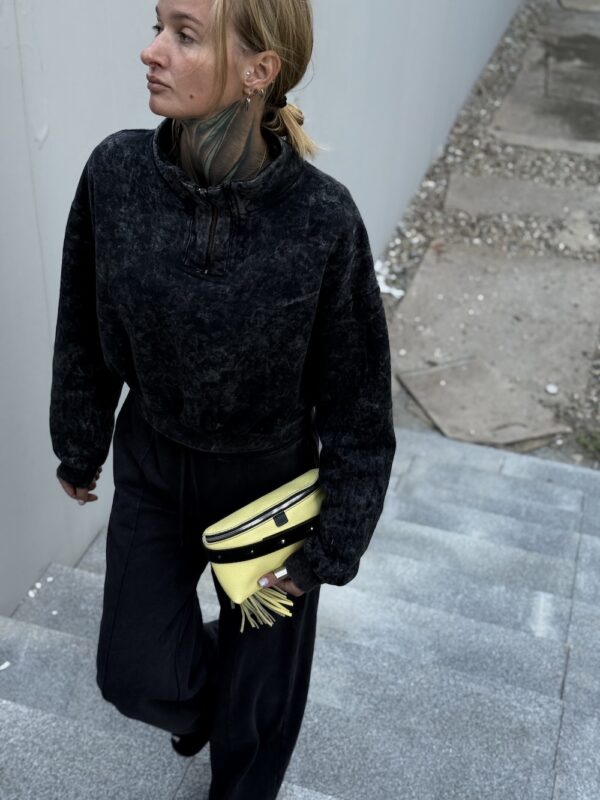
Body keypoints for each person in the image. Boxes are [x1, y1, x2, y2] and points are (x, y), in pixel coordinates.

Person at [49, 0, 396, 797]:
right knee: (135, 677)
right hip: (153, 461)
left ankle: (246, 721)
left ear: (257, 71)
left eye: (184, 35)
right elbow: (83, 319)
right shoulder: (115, 175)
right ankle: (223, 696)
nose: (151, 51)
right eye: (157, 26)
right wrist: (80, 438)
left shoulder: (322, 219)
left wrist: (334, 544)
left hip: (270, 487)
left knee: (258, 723)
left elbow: (358, 405)